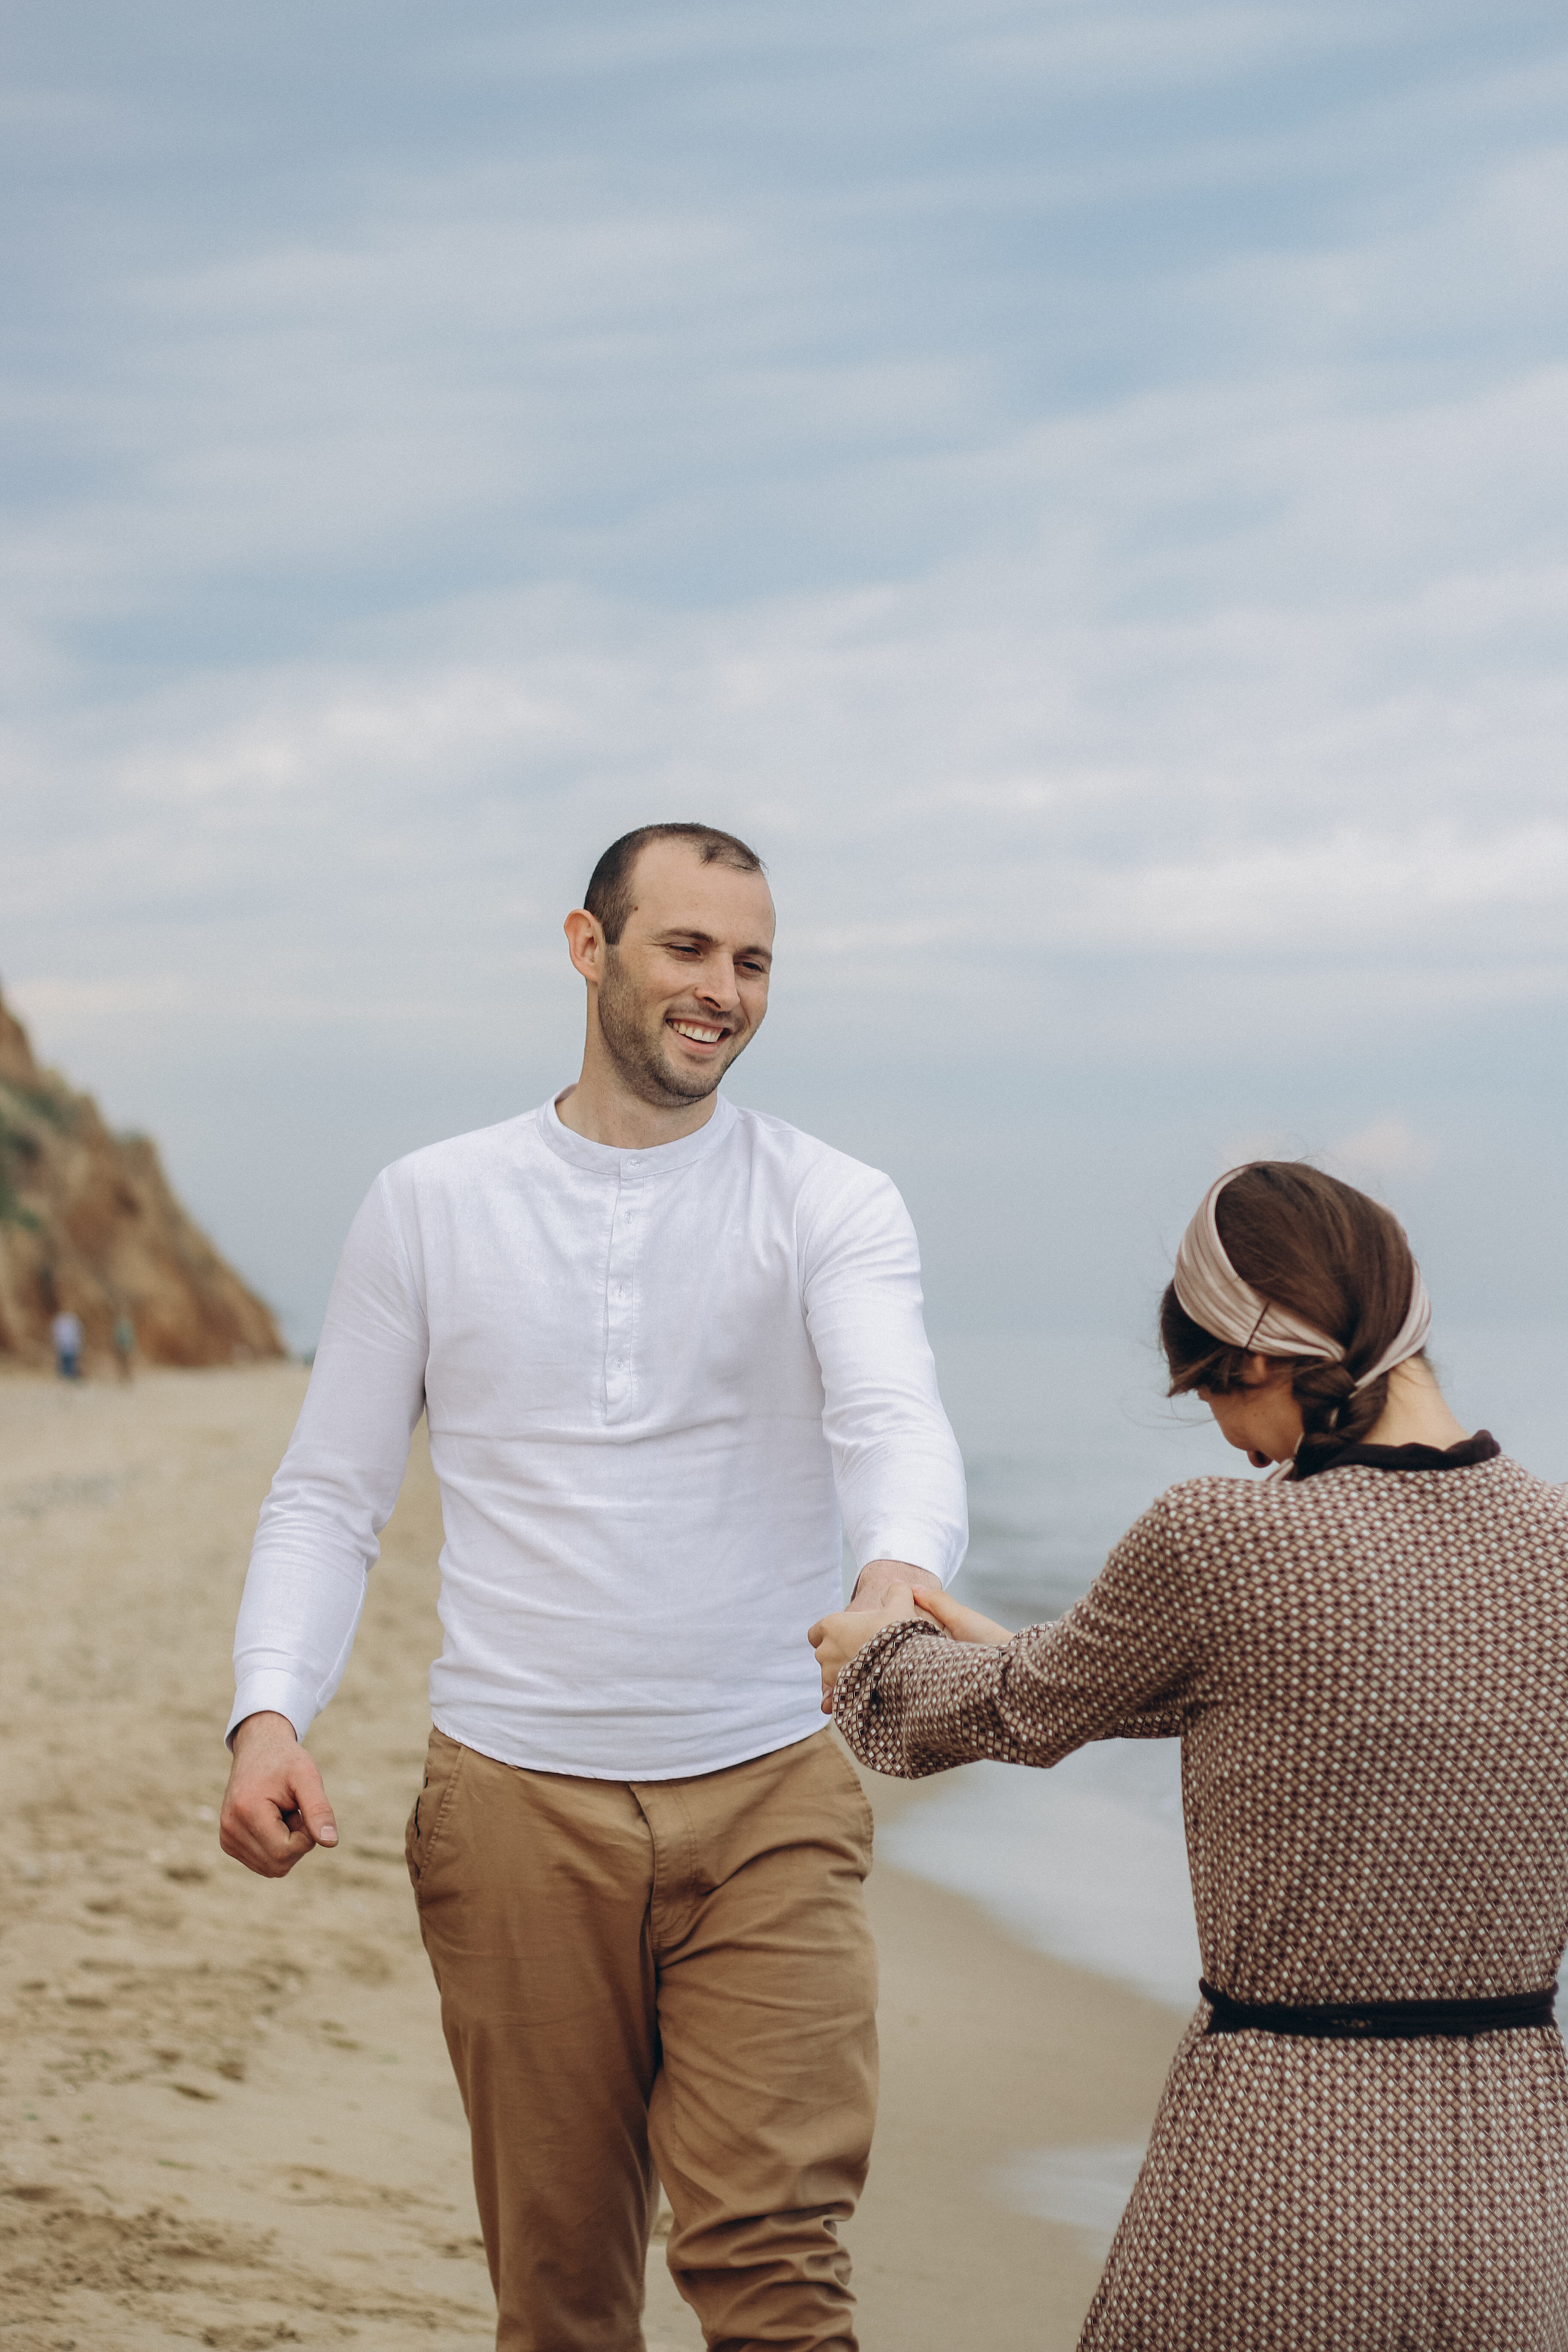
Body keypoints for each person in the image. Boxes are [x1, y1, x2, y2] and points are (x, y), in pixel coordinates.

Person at [219, 822, 967, 2352]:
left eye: (751, 960)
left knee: (773, 2261)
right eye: (687, 948)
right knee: (558, 2294)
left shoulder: (831, 1198)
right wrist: (266, 1712)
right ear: (587, 946)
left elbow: (889, 1413)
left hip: (765, 1784)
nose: (722, 989)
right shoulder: (429, 1200)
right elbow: (330, 1492)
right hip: (509, 1801)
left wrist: (895, 1573)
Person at [812, 1161, 1568, 2351]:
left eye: (1205, 1392)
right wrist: (1053, 1656)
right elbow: (1328, 1714)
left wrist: (872, 1649)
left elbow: (1004, 1713)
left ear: (1255, 1357)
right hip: (1514, 2182)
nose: (1233, 1446)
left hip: (1280, 2162)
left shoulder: (1221, 1538)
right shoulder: (1557, 1544)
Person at [50, 1306, 83, 1379]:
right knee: (65, 1363)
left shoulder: (63, 1323)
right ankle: (65, 1378)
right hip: (66, 1347)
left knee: (69, 1363)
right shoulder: (64, 1323)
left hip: (69, 1347)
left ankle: (67, 1377)